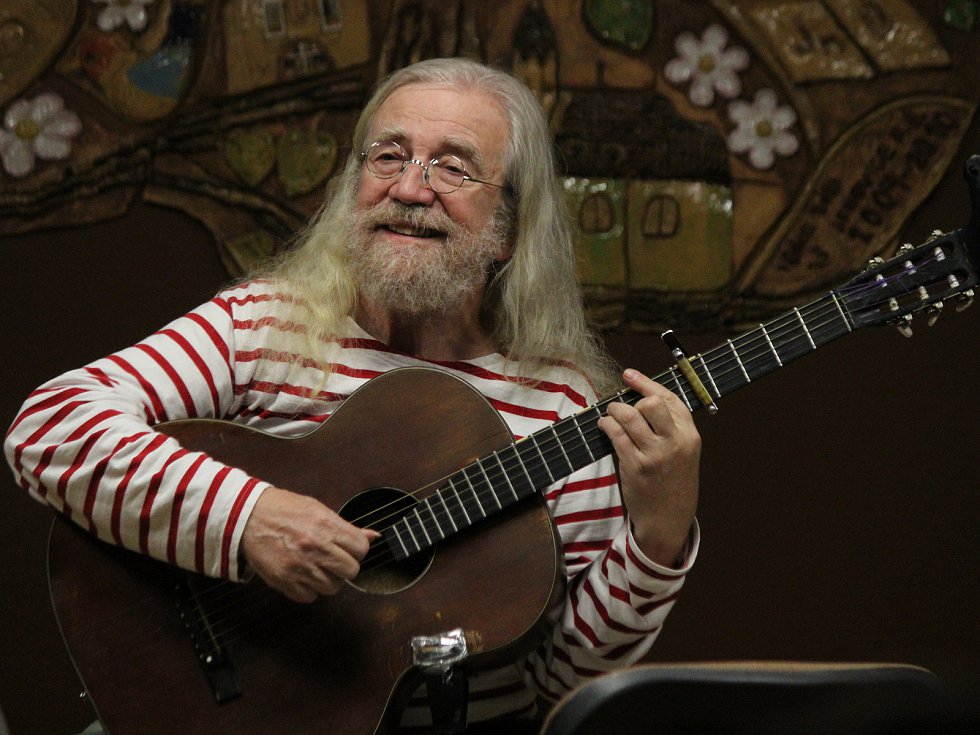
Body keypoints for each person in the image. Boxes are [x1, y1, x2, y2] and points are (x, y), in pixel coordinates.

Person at [4, 58, 701, 732]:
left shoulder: (560, 404)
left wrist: (657, 538)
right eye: (388, 156)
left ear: (509, 231)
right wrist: (248, 520)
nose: (410, 188)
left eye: (453, 167)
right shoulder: (263, 326)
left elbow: (561, 684)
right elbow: (50, 425)